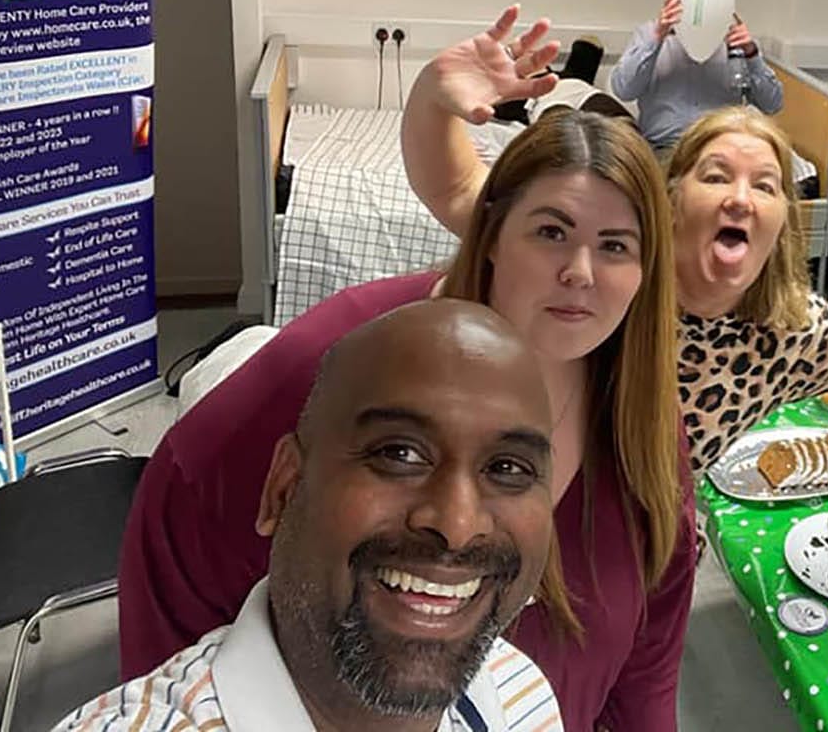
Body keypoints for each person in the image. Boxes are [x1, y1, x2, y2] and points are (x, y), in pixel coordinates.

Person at [119, 109, 694, 731]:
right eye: (552, 231)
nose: (580, 272)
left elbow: (648, 663)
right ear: (493, 233)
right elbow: (184, 492)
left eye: (615, 246)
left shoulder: (643, 428)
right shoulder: (351, 356)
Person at [401, 7, 828, 472]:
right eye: (716, 176)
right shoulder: (612, 263)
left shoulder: (787, 328)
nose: (741, 197)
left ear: (782, 219)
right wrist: (433, 95)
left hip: (640, 544)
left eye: (765, 186)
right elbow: (457, 188)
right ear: (672, 197)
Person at [62, 300, 562, 731]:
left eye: (507, 468)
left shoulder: (519, 693)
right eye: (399, 454)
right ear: (283, 489)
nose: (456, 525)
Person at [609, 0, 783, 148]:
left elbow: (772, 104)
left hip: (719, 147)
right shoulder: (650, 34)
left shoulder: (736, 41)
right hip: (663, 147)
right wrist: (658, 36)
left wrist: (752, 55)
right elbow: (623, 89)